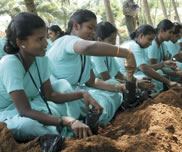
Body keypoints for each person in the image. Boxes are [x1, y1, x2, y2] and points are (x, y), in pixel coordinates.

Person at [0, 12, 104, 142]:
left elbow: (50, 95)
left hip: (34, 104)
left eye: (45, 37)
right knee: (27, 125)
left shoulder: (41, 59)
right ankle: (61, 135)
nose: (46, 44)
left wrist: (82, 94)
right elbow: (24, 110)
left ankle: (59, 131)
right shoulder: (10, 63)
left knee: (62, 88)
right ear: (21, 43)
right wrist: (66, 120)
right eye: (39, 39)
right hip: (8, 113)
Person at [47, 9, 136, 126]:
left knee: (115, 92)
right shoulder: (67, 40)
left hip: (80, 92)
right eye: (90, 27)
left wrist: (117, 87)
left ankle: (92, 118)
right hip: (61, 95)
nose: (93, 32)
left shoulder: (83, 49)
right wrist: (127, 53)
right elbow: (87, 48)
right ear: (76, 26)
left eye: (95, 29)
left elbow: (91, 81)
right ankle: (87, 120)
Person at [92, 21, 154, 91]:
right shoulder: (96, 55)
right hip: (103, 86)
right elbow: (107, 79)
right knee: (118, 84)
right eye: (111, 40)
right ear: (99, 40)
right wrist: (135, 84)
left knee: (143, 80)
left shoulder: (108, 52)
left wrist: (137, 80)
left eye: (115, 39)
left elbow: (119, 75)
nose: (114, 43)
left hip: (112, 82)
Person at [121, 24, 180, 95]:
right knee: (149, 79)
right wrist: (168, 82)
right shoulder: (134, 46)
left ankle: (155, 95)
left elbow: (146, 67)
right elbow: (145, 69)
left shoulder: (138, 46)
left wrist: (163, 64)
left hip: (133, 74)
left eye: (152, 40)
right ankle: (147, 98)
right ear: (141, 36)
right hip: (125, 77)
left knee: (157, 74)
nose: (151, 43)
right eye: (149, 39)